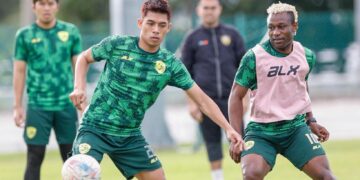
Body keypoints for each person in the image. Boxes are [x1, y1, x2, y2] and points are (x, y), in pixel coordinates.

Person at [69, 0, 243, 179]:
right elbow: (84, 58)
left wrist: (228, 128)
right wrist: (79, 88)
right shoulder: (117, 44)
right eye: (150, 23)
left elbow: (202, 100)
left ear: (169, 27)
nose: (155, 30)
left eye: (162, 25)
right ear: (140, 23)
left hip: (129, 135)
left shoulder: (170, 64)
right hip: (94, 128)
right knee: (81, 174)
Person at [228, 2, 336, 180]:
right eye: (271, 27)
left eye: (281, 26)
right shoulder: (254, 57)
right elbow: (235, 96)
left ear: (294, 27)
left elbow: (301, 87)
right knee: (251, 175)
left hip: (295, 129)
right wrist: (235, 137)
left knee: (326, 176)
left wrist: (311, 120)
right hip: (261, 131)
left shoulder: (306, 55)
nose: (275, 32)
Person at [13, 0, 82, 179]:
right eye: (41, 3)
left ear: (57, 6)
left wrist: (81, 97)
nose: (46, 8)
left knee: (72, 160)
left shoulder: (71, 31)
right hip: (38, 106)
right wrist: (17, 106)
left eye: (50, 3)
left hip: (66, 105)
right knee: (34, 157)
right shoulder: (24, 35)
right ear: (34, 7)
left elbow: (79, 66)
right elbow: (19, 71)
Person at [180, 0, 246, 179]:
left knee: (241, 141)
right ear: (199, 10)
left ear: (219, 10)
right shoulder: (192, 37)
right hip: (205, 101)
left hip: (232, 99)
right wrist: (192, 103)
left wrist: (245, 99)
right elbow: (183, 75)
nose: (209, 11)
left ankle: (249, 175)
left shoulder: (232, 34)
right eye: (206, 8)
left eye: (213, 8)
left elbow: (245, 68)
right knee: (212, 144)